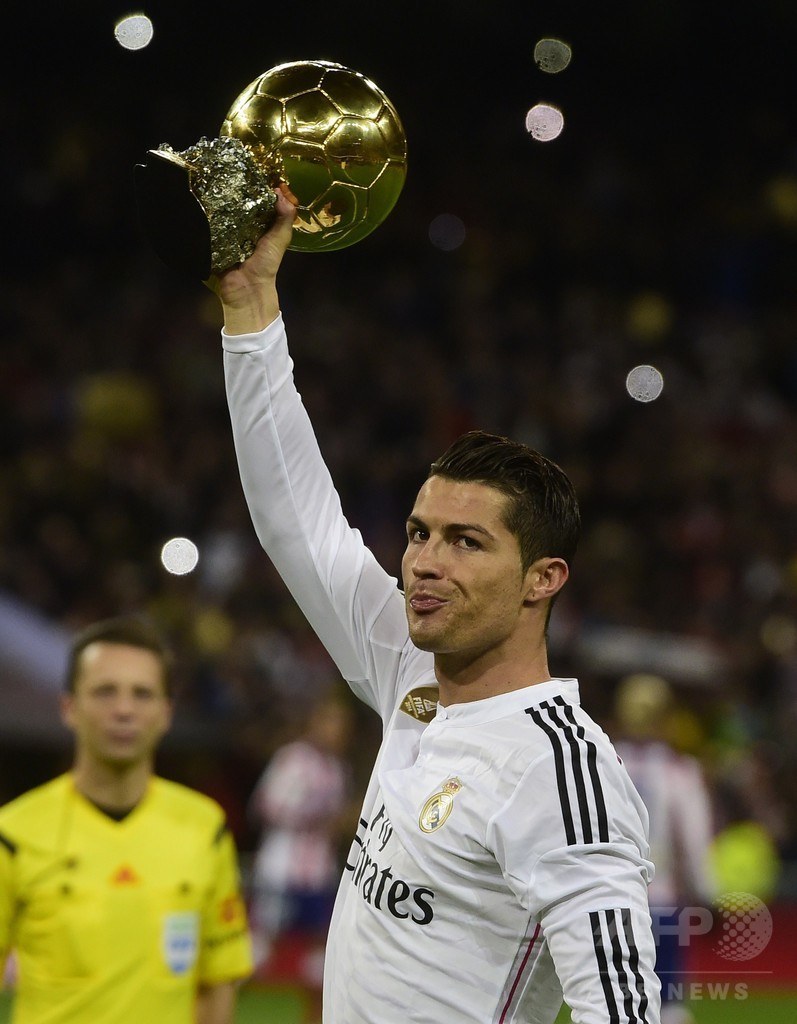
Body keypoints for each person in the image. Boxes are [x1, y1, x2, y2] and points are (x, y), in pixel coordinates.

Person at [209, 189, 661, 1023]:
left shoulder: (558, 769)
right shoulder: (410, 673)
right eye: (420, 533)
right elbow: (296, 523)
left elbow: (623, 1010)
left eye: (466, 542)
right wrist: (249, 306)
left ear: (542, 579)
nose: (423, 562)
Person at [0, 614, 253, 1024]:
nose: (123, 710)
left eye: (142, 694)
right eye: (105, 692)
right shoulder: (13, 833)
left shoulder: (204, 829)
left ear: (166, 713)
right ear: (69, 708)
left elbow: (217, 983)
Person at [613, 673, 717, 1024]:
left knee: (615, 1002)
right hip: (661, 901)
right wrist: (707, 892)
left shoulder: (603, 764)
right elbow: (693, 839)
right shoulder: (678, 771)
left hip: (611, 900)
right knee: (669, 1002)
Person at [248, 688, 354, 975]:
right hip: (281, 867)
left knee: (318, 954)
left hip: (318, 870)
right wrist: (318, 816)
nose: (336, 732)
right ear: (314, 722)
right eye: (330, 722)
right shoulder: (292, 758)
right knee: (262, 945)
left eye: (342, 725)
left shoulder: (338, 769)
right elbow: (266, 805)